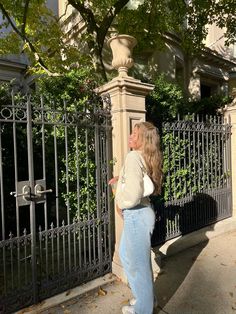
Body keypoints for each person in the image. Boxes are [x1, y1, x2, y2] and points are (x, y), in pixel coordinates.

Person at [109, 121, 163, 314]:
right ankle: (146, 299)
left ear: (144, 140)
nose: (130, 136)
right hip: (141, 214)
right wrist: (119, 180)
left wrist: (119, 203)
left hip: (137, 214)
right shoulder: (146, 156)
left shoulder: (133, 156)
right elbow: (139, 184)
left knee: (139, 265)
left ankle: (143, 309)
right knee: (126, 255)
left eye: (135, 134)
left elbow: (132, 196)